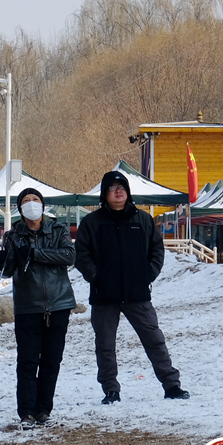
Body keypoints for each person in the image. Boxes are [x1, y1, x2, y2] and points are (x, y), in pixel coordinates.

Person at [75, 171, 188, 404]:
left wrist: (147, 274)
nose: (118, 191)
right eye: (112, 188)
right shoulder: (91, 222)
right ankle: (111, 390)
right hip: (104, 295)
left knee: (154, 339)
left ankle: (172, 385)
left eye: (122, 187)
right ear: (104, 194)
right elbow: (81, 255)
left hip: (137, 294)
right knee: (105, 345)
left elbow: (156, 250)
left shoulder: (143, 220)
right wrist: (96, 277)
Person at [0, 187, 76, 428]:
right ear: (20, 208)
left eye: (35, 199)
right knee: (28, 361)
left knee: (52, 360)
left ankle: (43, 410)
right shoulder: (13, 235)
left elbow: (68, 256)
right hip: (27, 306)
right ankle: (27, 412)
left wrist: (34, 253)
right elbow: (6, 272)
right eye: (26, 201)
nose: (31, 204)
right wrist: (5, 260)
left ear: (42, 204)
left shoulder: (58, 230)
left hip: (58, 303)